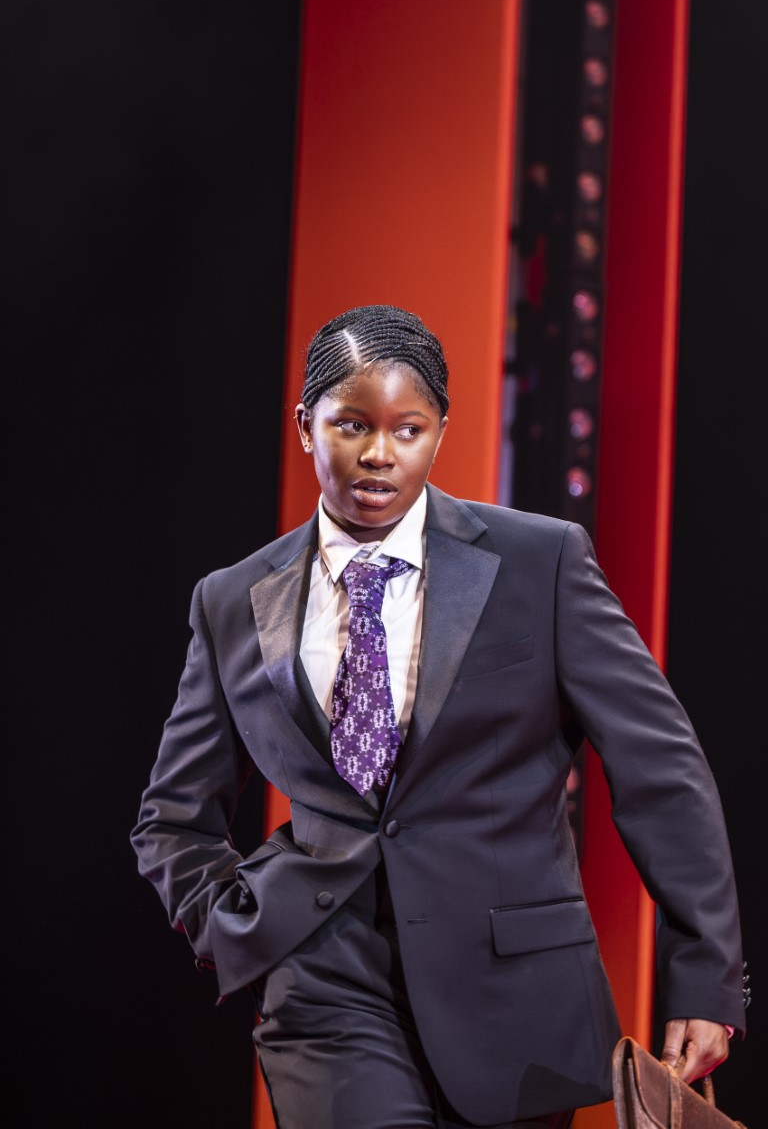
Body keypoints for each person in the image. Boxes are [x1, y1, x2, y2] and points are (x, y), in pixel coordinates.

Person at [131, 304, 747, 1129]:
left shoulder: (541, 561)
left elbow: (660, 769)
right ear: (305, 425)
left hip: (513, 985)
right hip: (323, 981)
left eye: (408, 429)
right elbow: (173, 813)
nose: (379, 454)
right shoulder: (233, 600)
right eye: (350, 425)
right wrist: (230, 920)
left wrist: (704, 973)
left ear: (441, 432)